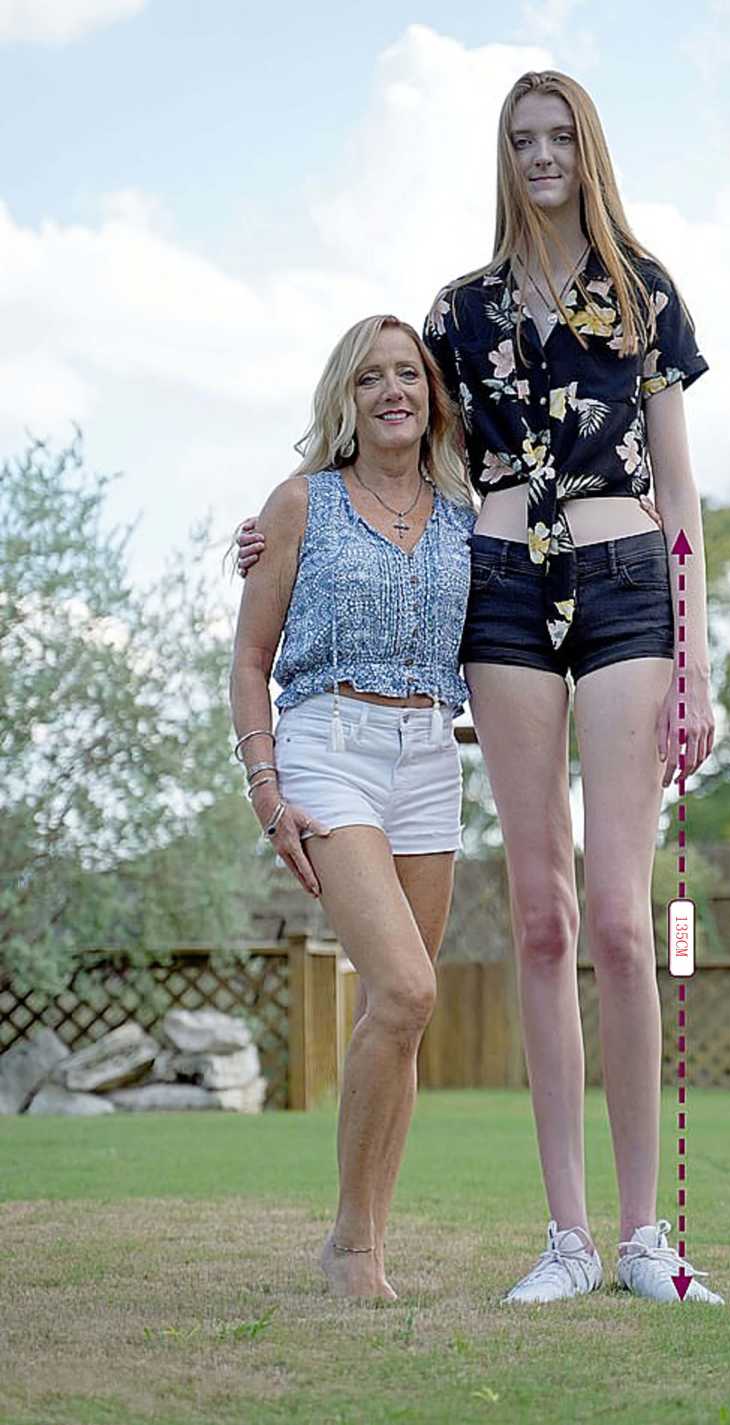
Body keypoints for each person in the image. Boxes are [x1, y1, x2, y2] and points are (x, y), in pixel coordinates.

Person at [237, 69, 724, 1306]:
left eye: (558, 137)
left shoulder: (644, 291)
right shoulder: (459, 312)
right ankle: (565, 1238)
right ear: (503, 158)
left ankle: (643, 1237)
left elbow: (678, 491)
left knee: (618, 919)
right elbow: (391, 438)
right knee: (541, 917)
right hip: (502, 596)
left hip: (626, 590)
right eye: (522, 140)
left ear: (586, 148)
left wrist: (696, 655)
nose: (541, 156)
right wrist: (282, 517)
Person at [230, 313, 475, 1301]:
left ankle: (359, 1241)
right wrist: (265, 788)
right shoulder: (299, 504)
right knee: (408, 990)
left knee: (396, 1014)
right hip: (327, 745)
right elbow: (249, 659)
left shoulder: (465, 515)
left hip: (433, 756)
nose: (392, 390)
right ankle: (352, 1246)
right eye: (370, 376)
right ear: (346, 396)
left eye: (407, 373)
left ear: (431, 395)